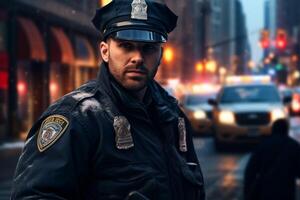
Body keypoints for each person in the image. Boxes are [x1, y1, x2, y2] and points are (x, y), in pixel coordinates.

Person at [11, 0, 205, 199]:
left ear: (160, 55)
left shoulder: (173, 118)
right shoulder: (77, 118)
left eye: (148, 48)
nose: (137, 57)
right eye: (126, 46)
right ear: (105, 51)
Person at [244, 119, 300, 200]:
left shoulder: (263, 145)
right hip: (286, 191)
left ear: (272, 130)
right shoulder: (294, 146)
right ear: (286, 130)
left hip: (266, 191)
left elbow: (250, 171)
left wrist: (248, 193)